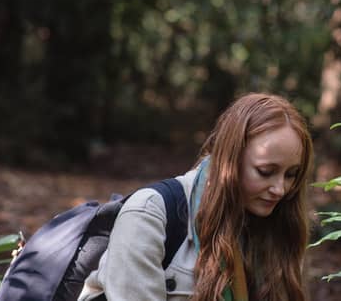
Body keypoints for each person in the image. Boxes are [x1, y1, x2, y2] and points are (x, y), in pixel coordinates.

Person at [78, 93, 314, 301]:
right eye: (265, 172)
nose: (280, 189)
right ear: (230, 161)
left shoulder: (275, 227)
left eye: (291, 175)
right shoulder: (149, 215)